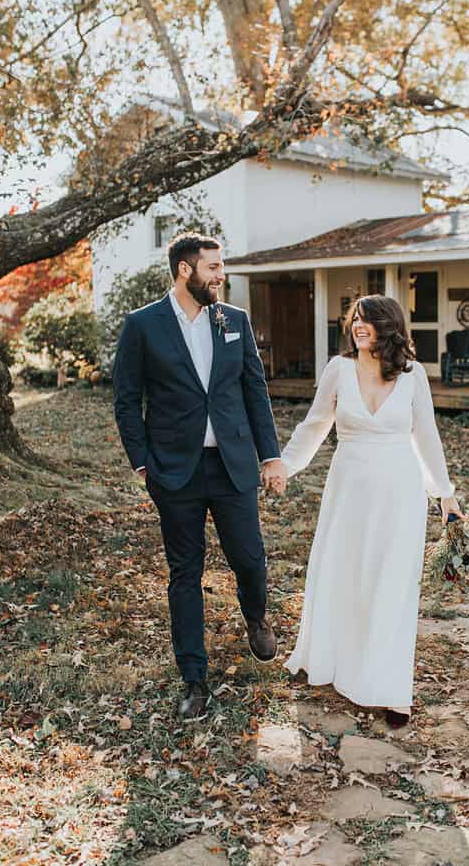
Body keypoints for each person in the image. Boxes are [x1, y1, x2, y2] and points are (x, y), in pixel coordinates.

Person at [113, 232, 288, 720]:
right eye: (213, 266)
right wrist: (142, 463)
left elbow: (254, 389)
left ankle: (256, 616)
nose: (221, 274)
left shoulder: (234, 320)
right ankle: (194, 679)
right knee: (184, 575)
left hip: (232, 465)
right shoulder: (143, 325)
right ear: (186, 270)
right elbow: (126, 400)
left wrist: (270, 456)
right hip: (174, 471)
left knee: (250, 559)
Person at [281, 294, 463, 727]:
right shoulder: (339, 369)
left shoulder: (413, 374)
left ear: (389, 325)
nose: (359, 325)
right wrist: (284, 466)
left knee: (394, 586)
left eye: (368, 319)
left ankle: (394, 691)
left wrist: (445, 493)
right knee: (344, 576)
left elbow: (427, 436)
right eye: (355, 319)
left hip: (400, 494)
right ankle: (336, 663)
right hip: (349, 491)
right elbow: (315, 425)